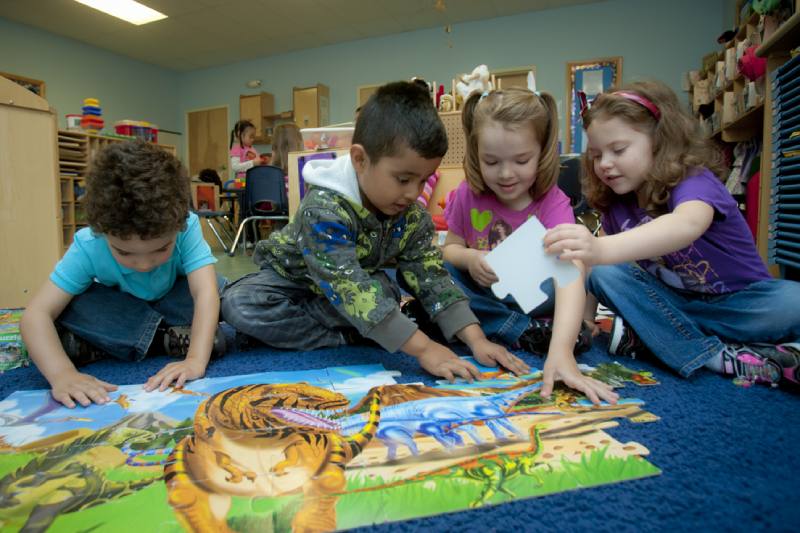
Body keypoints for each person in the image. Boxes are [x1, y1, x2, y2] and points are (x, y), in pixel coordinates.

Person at [221, 81, 530, 382]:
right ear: (360, 160)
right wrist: (423, 348)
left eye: (423, 180)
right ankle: (348, 336)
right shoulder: (323, 208)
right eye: (403, 179)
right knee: (239, 304)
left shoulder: (412, 217)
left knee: (384, 292)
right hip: (290, 282)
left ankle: (362, 328)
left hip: (341, 294)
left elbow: (432, 277)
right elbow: (348, 286)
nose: (414, 193)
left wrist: (476, 339)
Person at [543, 80, 800, 387]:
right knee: (605, 274)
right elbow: (600, 273)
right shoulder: (615, 204)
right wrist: (585, 322)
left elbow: (686, 225)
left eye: (619, 150)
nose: (605, 164)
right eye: (596, 155)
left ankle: (663, 342)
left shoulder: (694, 180)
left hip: (741, 305)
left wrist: (598, 248)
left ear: (660, 142)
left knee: (793, 299)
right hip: (678, 306)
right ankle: (718, 358)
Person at [442, 88, 616, 404]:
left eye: (522, 160)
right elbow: (450, 248)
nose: (506, 174)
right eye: (491, 161)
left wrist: (561, 352)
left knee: (578, 259)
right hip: (487, 292)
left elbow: (570, 274)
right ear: (475, 154)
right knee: (434, 269)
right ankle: (522, 329)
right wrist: (469, 257)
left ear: (542, 153)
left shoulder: (552, 201)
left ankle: (544, 331)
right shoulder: (467, 193)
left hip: (543, 299)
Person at [21, 141, 226, 408]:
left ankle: (118, 343)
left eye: (161, 248)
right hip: (122, 309)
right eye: (124, 253)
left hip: (170, 304)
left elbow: (205, 293)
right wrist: (62, 374)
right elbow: (35, 315)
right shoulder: (89, 243)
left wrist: (195, 361)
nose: (143, 265)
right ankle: (166, 338)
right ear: (101, 231)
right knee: (75, 306)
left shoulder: (186, 227)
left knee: (219, 289)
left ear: (179, 225)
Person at [229, 119, 265, 185]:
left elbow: (257, 161)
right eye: (251, 137)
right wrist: (253, 163)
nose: (253, 139)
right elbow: (235, 167)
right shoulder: (236, 148)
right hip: (241, 182)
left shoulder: (251, 148)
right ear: (239, 134)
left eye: (253, 137)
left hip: (252, 180)